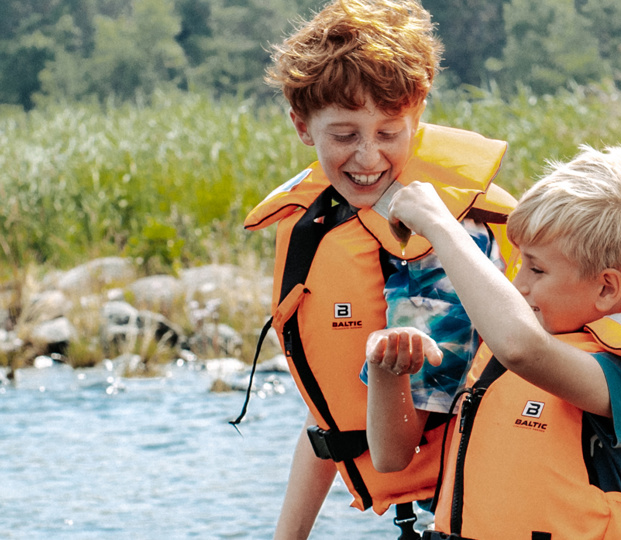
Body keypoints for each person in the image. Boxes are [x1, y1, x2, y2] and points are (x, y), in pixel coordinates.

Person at [238, 1, 518, 538]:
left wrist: (389, 371)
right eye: (344, 136)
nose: (368, 158)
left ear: (417, 118)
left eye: (389, 133)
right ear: (302, 126)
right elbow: (330, 407)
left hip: (489, 510)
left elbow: (396, 451)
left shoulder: (436, 243)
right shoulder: (326, 221)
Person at [366, 144, 621, 539]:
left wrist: (439, 225)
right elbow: (390, 458)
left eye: (537, 269)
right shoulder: (500, 354)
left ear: (606, 288)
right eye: (520, 263)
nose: (518, 284)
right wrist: (387, 371)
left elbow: (522, 349)